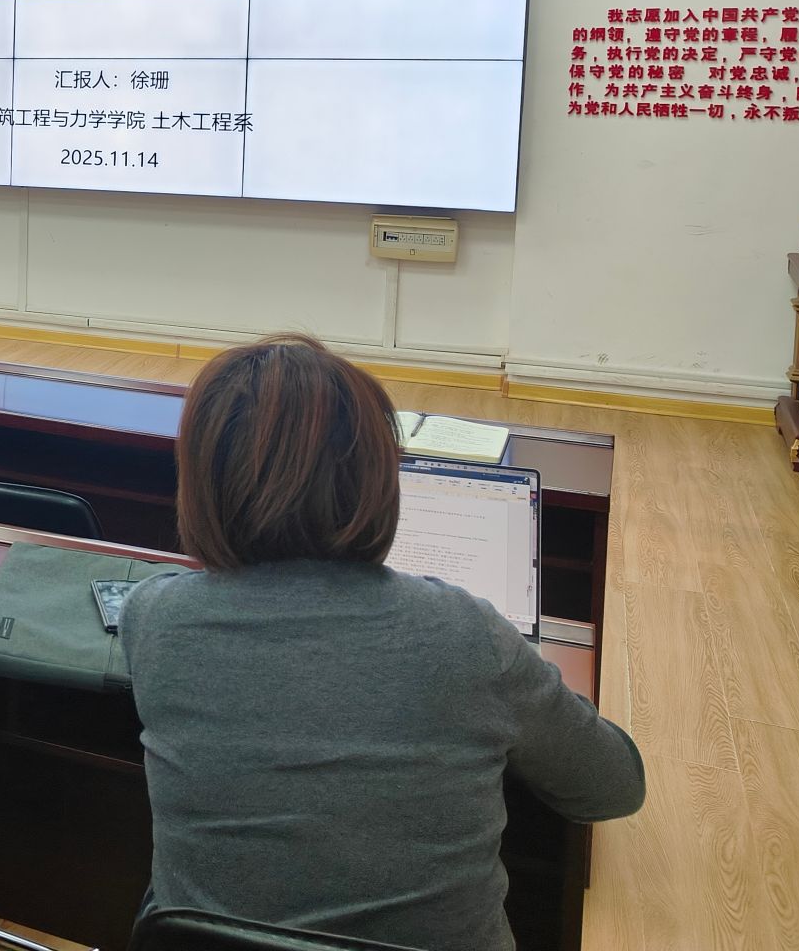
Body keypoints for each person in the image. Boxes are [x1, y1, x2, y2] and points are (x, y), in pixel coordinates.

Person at [119, 334, 644, 951]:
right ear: (378, 480)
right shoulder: (466, 634)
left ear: (199, 480)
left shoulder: (153, 617)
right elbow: (612, 787)